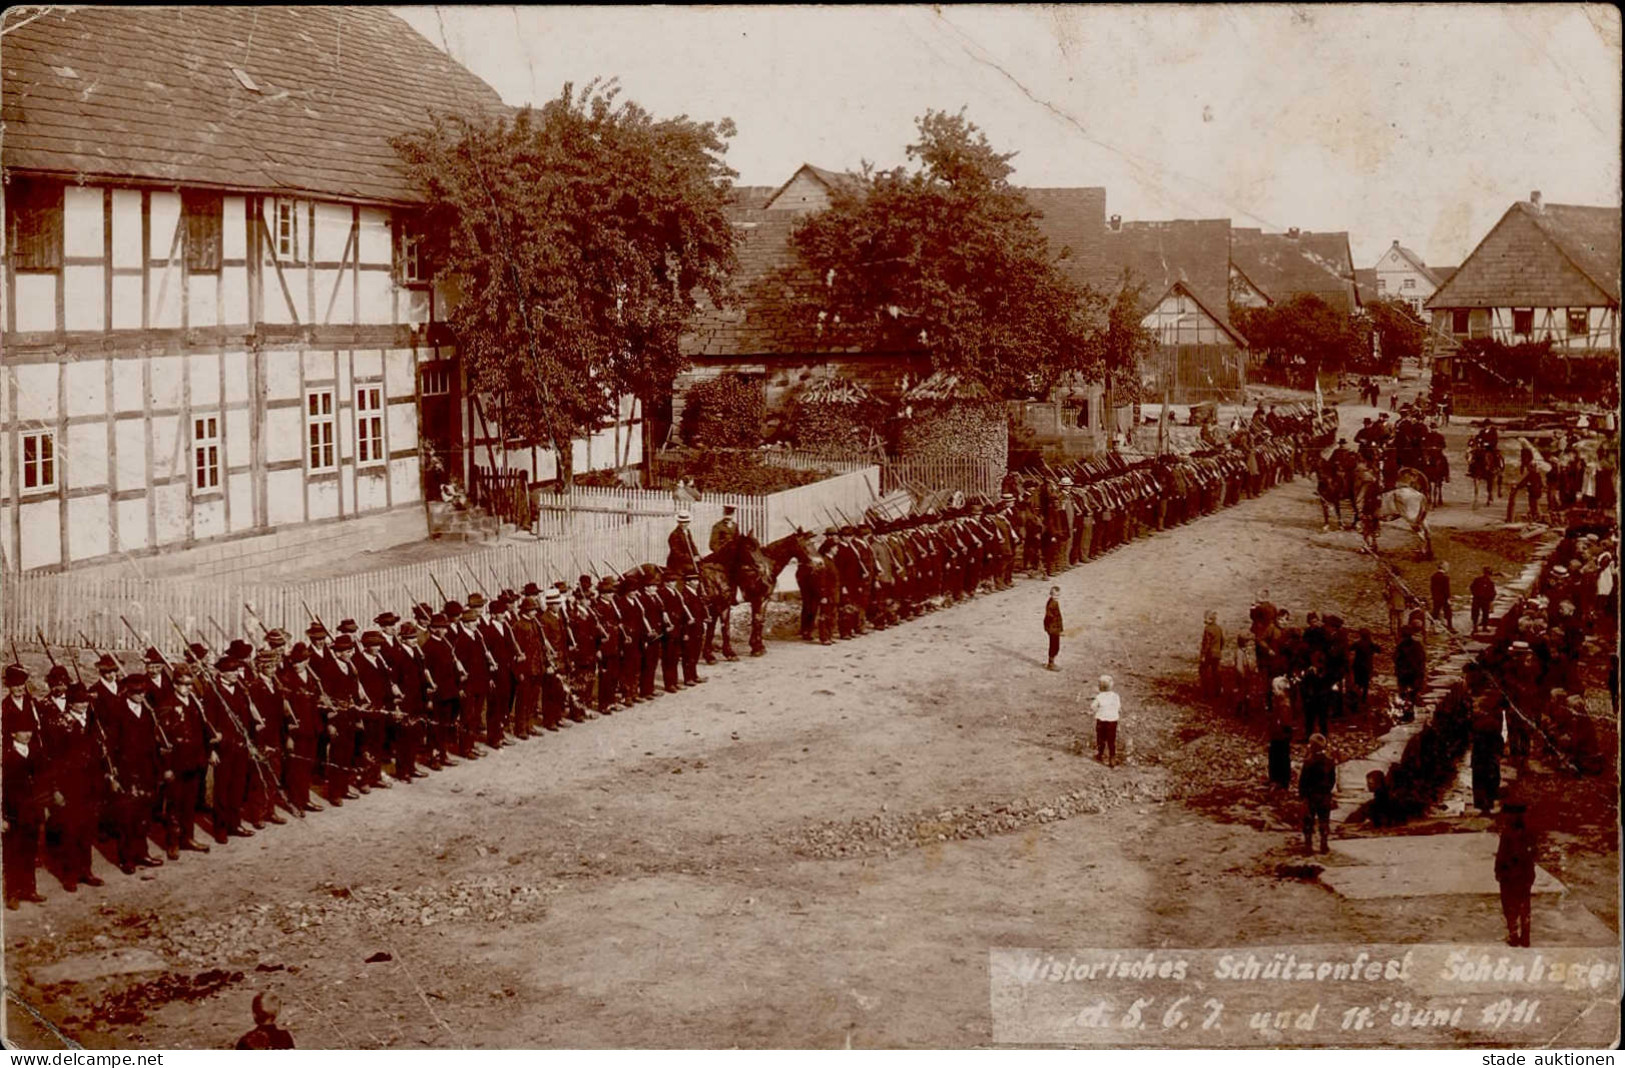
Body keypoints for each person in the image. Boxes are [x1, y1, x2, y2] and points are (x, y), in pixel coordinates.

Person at [3, 664, 49, 908]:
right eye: (15, 686)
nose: (19, 689)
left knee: (30, 845)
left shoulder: (31, 704)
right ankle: (13, 891)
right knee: (13, 848)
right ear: (8, 687)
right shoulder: (4, 707)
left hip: (31, 803)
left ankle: (30, 888)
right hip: (13, 805)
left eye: (22, 685)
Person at [1494, 800, 1537, 947]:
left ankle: (1514, 935)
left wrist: (1498, 870)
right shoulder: (1529, 832)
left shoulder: (1507, 833)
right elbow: (1533, 853)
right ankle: (1525, 937)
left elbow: (1501, 854)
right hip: (1525, 875)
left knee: (1509, 905)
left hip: (1509, 875)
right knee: (1524, 905)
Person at [1298, 733, 1336, 854]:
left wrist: (1302, 796)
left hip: (1311, 796)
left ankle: (1308, 846)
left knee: (1308, 821)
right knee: (1324, 820)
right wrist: (1328, 791)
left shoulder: (1308, 762)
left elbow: (1303, 781)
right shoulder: (1330, 762)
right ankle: (1324, 845)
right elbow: (1332, 780)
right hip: (1324, 795)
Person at [1393, 624, 1425, 723]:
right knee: (1412, 693)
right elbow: (1422, 659)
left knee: (1404, 694)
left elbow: (1395, 659)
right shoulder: (1417, 645)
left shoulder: (1400, 646)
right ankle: (1410, 713)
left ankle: (1406, 714)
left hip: (1404, 673)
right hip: (1414, 673)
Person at [1090, 675, 1120, 767]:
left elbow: (1093, 707)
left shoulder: (1099, 697)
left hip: (1102, 720)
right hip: (1112, 721)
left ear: (1100, 687)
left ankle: (1100, 754)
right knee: (1111, 740)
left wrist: (1097, 710)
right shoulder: (1115, 696)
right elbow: (1118, 707)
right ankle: (1112, 758)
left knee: (1101, 738)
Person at [1199, 611, 1224, 699]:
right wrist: (1219, 650)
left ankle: (1205, 692)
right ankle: (1218, 691)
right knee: (1216, 672)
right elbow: (1222, 641)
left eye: (1205, 618)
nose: (1204, 620)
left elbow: (1207, 644)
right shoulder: (1218, 628)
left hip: (1209, 654)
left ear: (1210, 619)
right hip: (1217, 653)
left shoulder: (1208, 629)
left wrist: (1203, 655)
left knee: (1204, 672)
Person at [1430, 561, 1455, 632]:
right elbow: (1446, 589)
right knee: (1448, 612)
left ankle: (1432, 627)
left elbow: (1432, 588)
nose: (1448, 568)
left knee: (1435, 612)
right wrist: (1448, 598)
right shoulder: (1445, 577)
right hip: (1444, 598)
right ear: (1443, 567)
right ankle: (1450, 627)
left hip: (1436, 597)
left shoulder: (1433, 576)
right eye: (1447, 566)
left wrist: (1434, 596)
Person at [1470, 566, 1497, 632]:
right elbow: (1493, 593)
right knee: (1482, 613)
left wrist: (1475, 594)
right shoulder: (1489, 582)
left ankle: (1477, 626)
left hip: (1480, 599)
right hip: (1482, 599)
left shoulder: (1479, 580)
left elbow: (1472, 587)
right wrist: (1491, 600)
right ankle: (1480, 627)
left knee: (1481, 613)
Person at [1044, 587, 1064, 671]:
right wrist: (1052, 628)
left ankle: (1051, 661)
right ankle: (1051, 663)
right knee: (1054, 645)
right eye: (1054, 595)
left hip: (1055, 627)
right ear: (1051, 594)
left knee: (1055, 645)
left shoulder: (1053, 602)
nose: (1056, 597)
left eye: (1058, 595)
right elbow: (1050, 617)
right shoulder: (1052, 604)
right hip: (1053, 628)